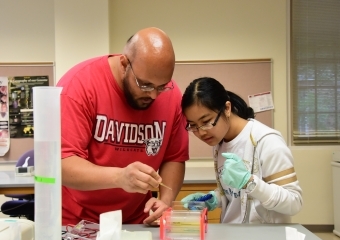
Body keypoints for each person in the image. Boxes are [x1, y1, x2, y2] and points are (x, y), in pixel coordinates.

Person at [57, 27, 189, 225]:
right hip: (79, 221)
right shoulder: (79, 86)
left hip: (137, 220)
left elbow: (174, 157)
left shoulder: (171, 95)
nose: (153, 95)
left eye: (161, 86)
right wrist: (119, 177)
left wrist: (165, 200)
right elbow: (62, 163)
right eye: (145, 85)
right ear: (124, 63)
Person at [181, 77, 303, 223]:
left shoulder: (267, 141)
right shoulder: (219, 142)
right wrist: (214, 198)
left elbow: (294, 203)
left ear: (227, 108)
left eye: (206, 122)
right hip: (234, 236)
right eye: (193, 125)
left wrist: (250, 183)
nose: (201, 133)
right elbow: (237, 195)